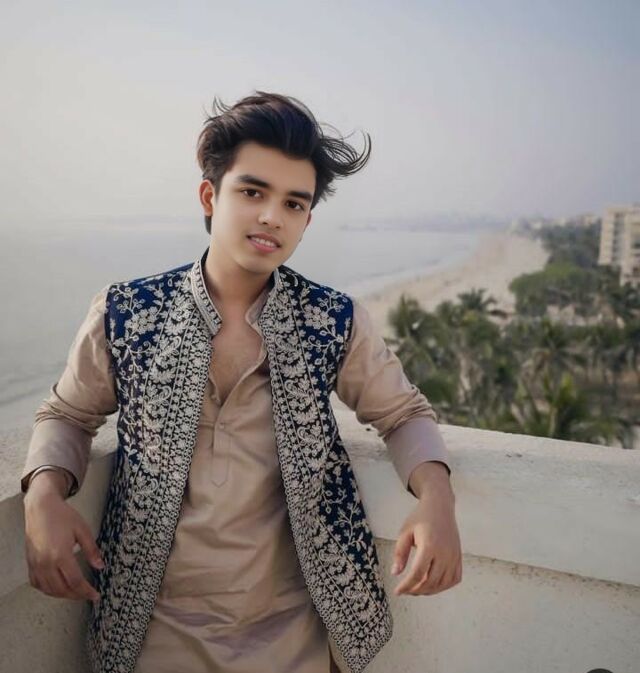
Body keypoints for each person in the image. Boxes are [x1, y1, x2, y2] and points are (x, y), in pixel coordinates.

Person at [21, 91, 462, 673]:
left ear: (306, 220)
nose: (272, 216)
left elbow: (403, 415)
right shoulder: (127, 312)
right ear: (211, 196)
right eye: (253, 192)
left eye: (294, 203)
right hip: (150, 628)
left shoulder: (332, 319)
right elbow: (68, 416)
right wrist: (43, 496)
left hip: (297, 628)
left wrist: (437, 501)